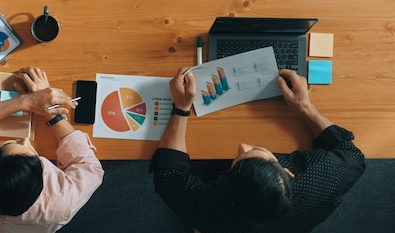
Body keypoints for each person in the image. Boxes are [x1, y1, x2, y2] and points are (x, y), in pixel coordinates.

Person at [150, 68, 365, 232]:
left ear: (226, 188)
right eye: (254, 152)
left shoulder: (210, 209)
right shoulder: (324, 179)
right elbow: (351, 153)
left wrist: (182, 106)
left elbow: (168, 173)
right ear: (287, 173)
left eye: (239, 157)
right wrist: (304, 105)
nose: (242, 145)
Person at [0, 67, 104, 232]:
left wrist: (27, 101)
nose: (26, 140)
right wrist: (52, 113)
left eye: (5, 146)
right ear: (41, 179)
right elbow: (89, 167)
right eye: (33, 154)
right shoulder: (62, 205)